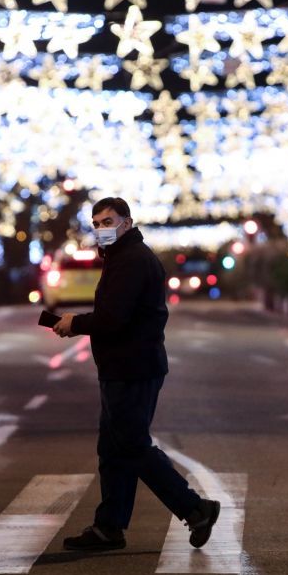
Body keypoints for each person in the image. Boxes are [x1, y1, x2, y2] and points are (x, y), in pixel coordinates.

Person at [52, 196, 220, 552]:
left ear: (126, 223)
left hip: (132, 368)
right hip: (123, 367)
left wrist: (73, 323)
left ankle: (195, 508)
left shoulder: (131, 261)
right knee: (112, 448)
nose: (102, 229)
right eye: (96, 223)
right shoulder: (122, 258)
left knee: (131, 446)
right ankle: (109, 527)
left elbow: (114, 318)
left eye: (108, 222)